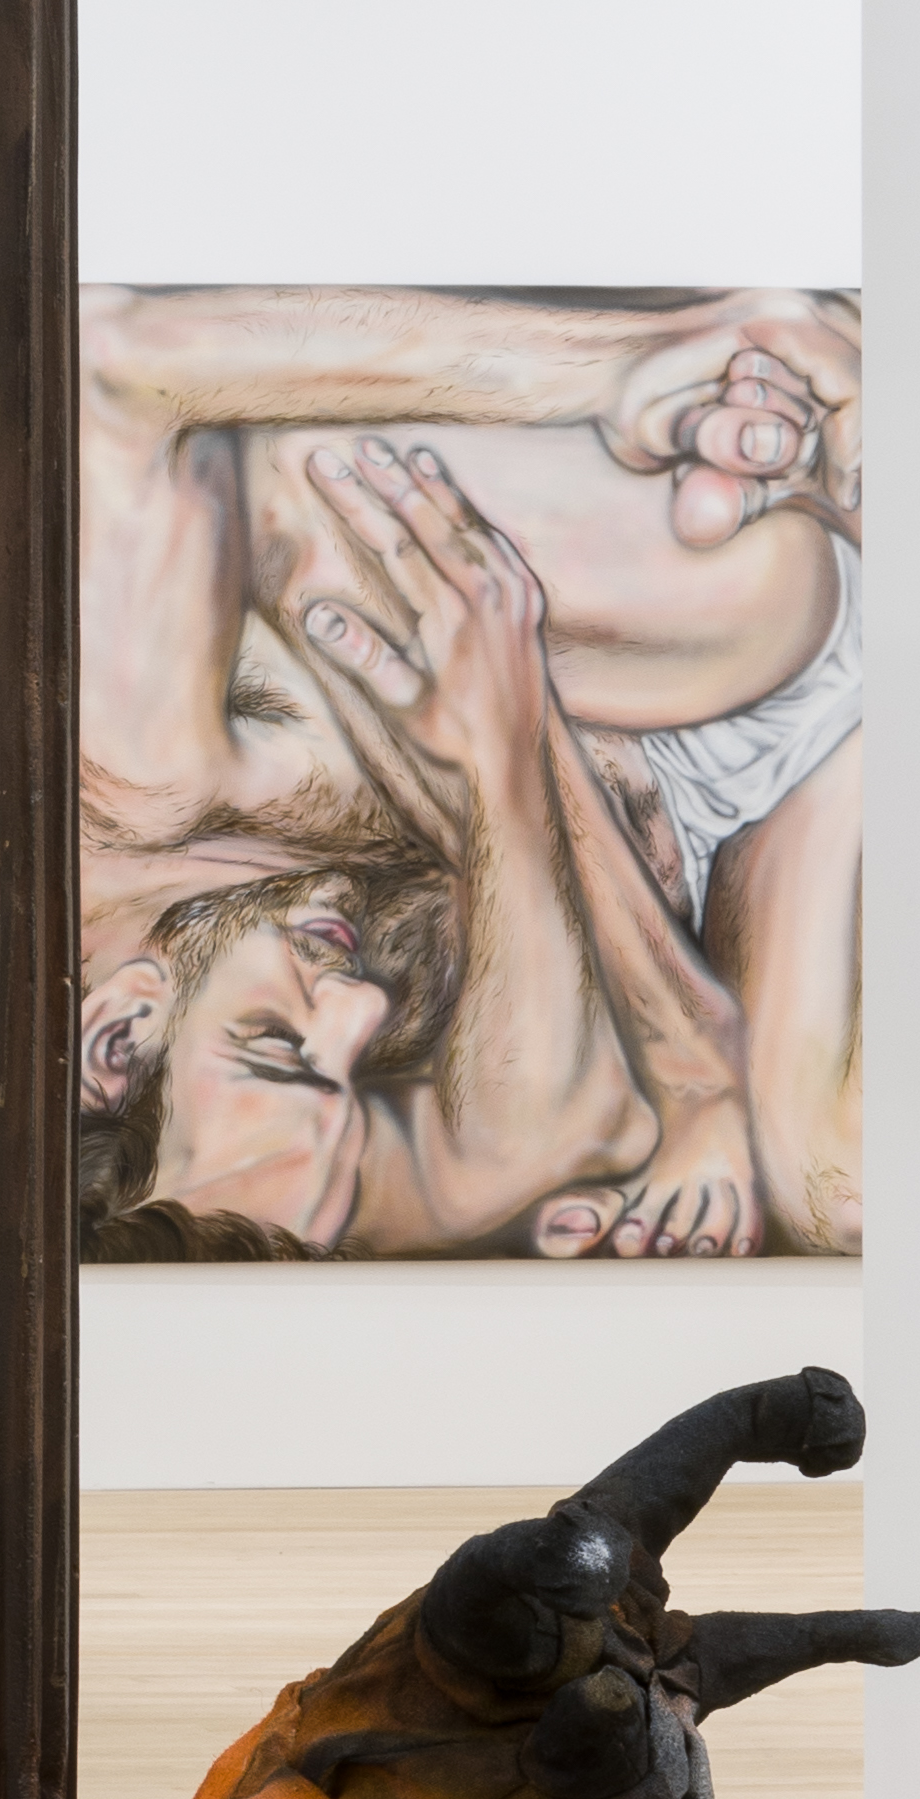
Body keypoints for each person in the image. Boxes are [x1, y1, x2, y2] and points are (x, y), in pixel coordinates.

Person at [78, 284, 864, 1257]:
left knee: (327, 538)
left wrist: (630, 363)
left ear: (116, 1037)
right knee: (844, 1189)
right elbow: (581, 1116)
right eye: (356, 1108)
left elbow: (116, 357)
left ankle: (805, 416)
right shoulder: (279, 1188)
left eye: (280, 1050)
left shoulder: (128, 778)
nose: (359, 1016)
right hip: (745, 828)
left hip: (665, 613)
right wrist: (502, 767)